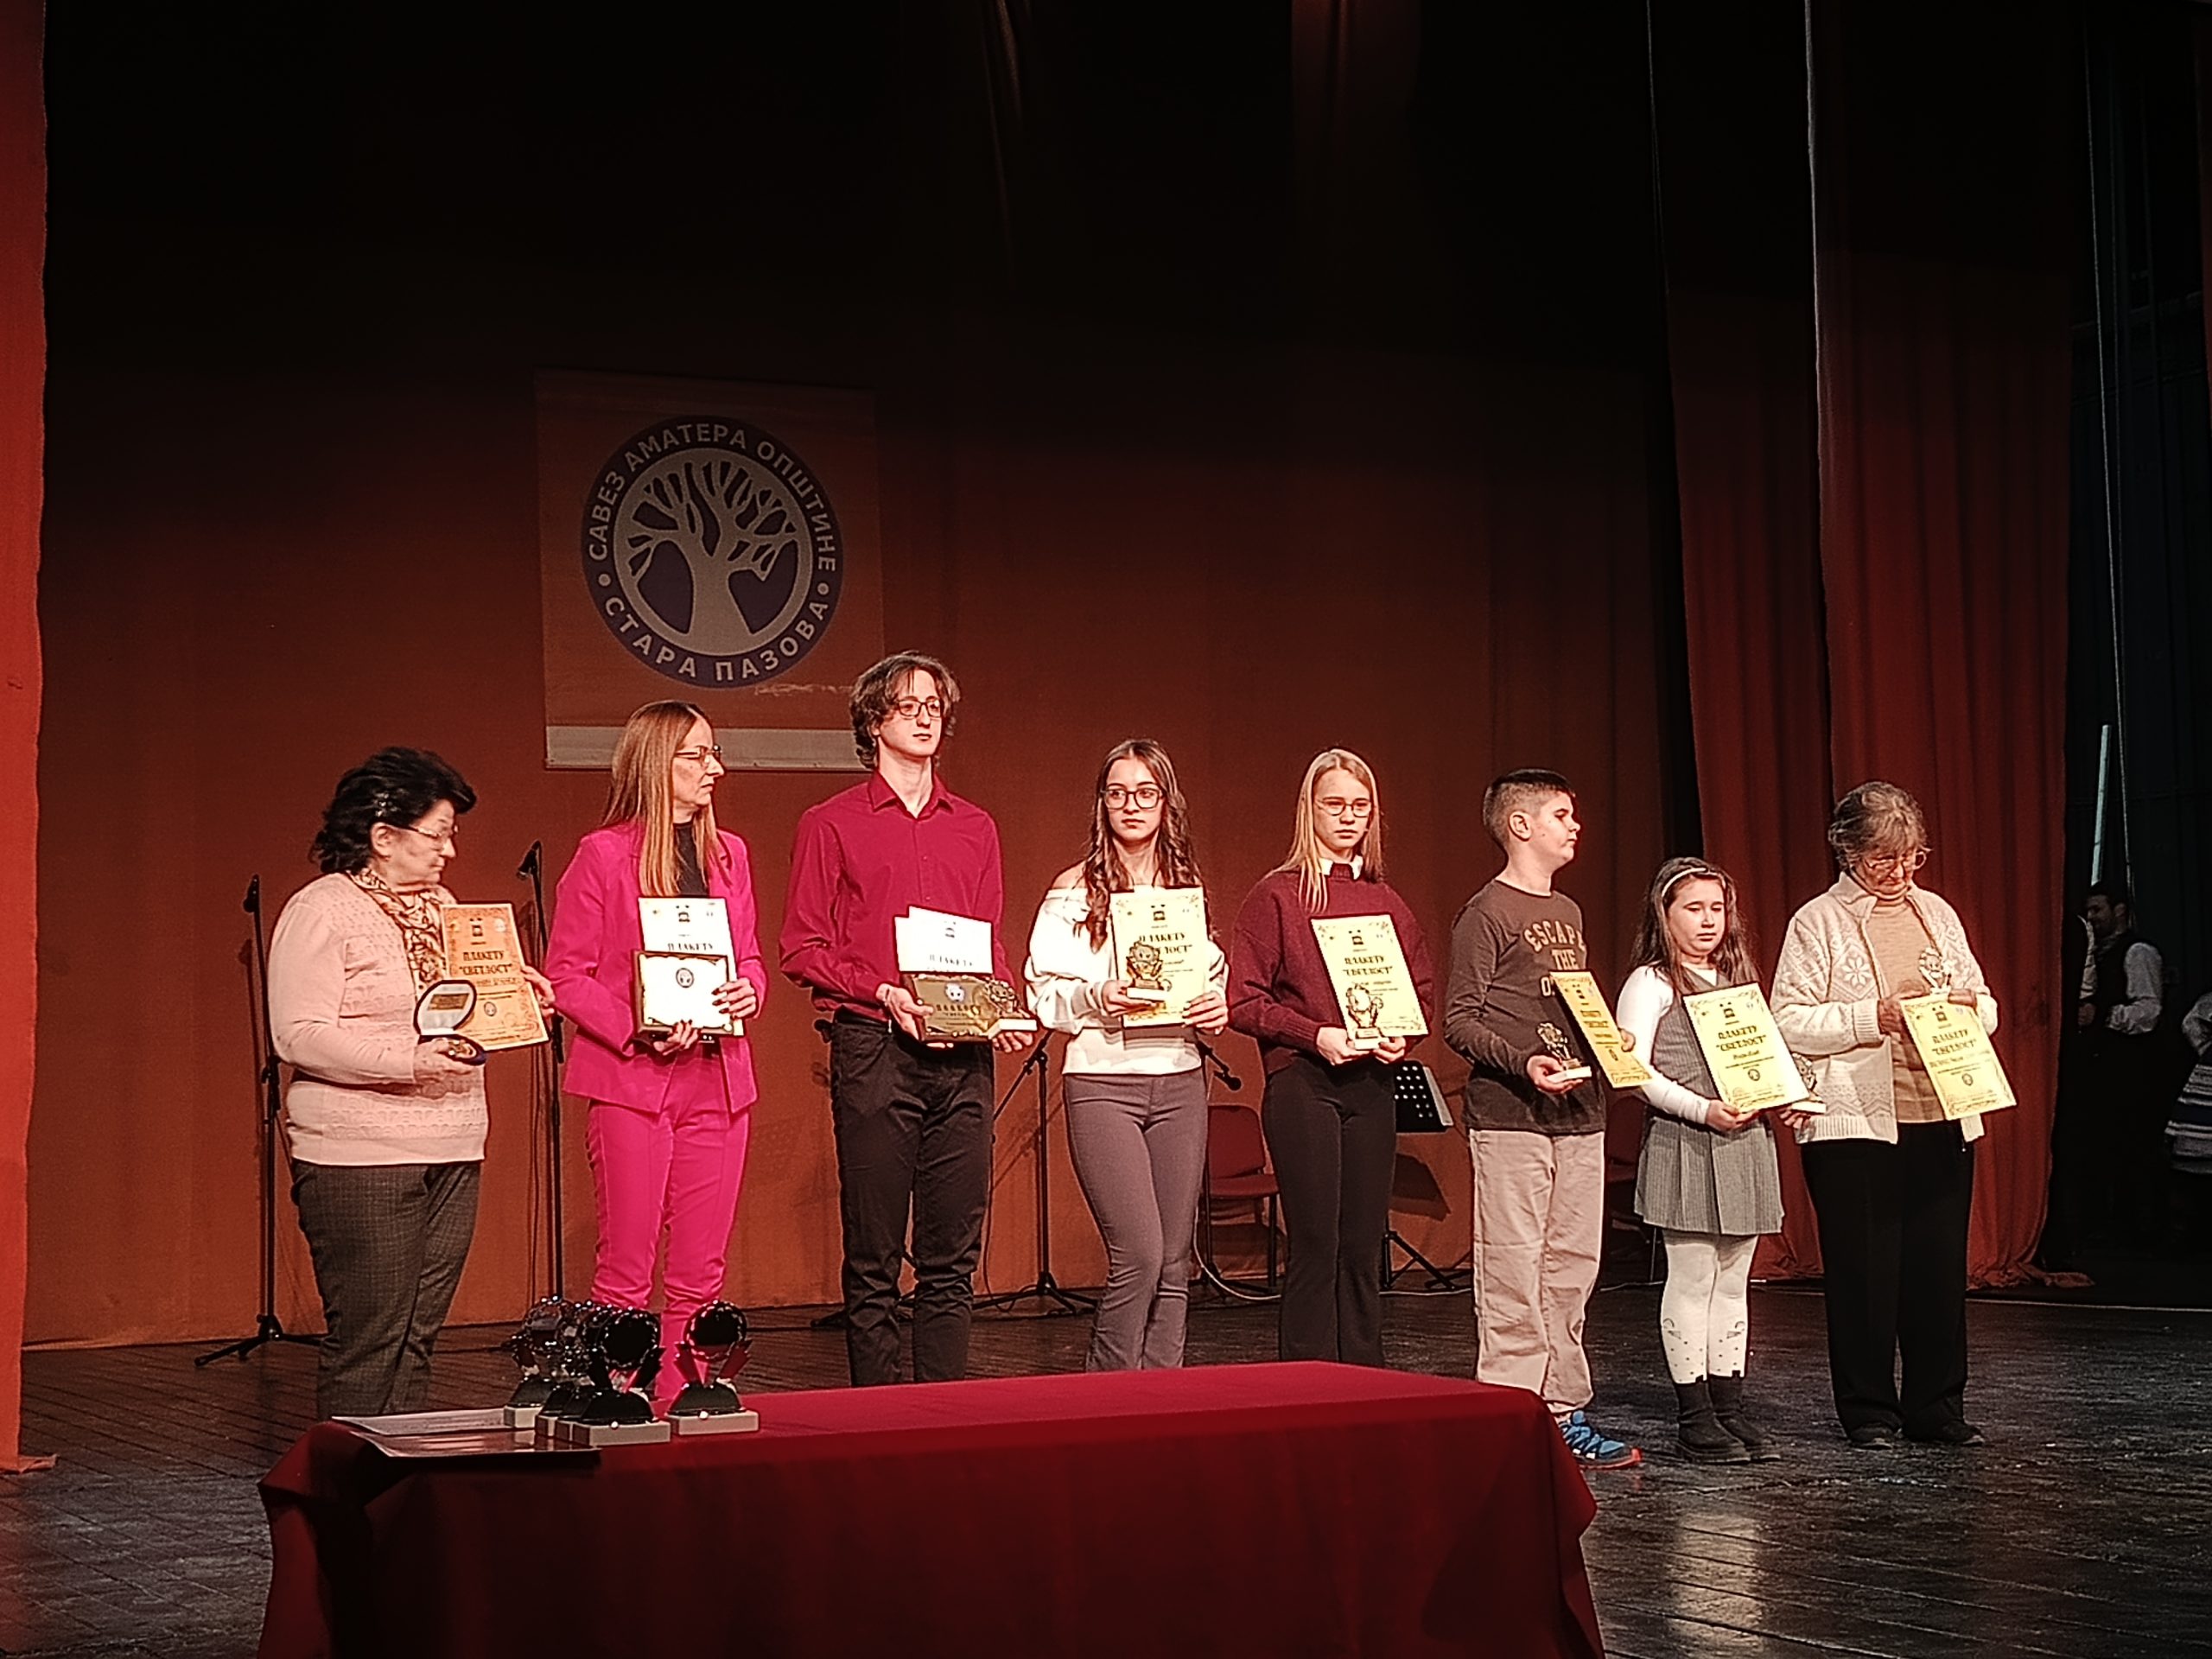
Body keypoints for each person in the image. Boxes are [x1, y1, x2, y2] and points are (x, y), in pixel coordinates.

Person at [269, 747, 555, 1419]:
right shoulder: (322, 910)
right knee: (371, 1340)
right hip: (361, 1152)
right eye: (439, 834)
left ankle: (400, 1473)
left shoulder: (442, 907)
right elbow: (297, 1035)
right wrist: (409, 1062)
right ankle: (349, 1476)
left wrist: (515, 1000)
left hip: (453, 1143)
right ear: (384, 836)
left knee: (417, 1339)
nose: (449, 851)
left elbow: (455, 1013)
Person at [780, 652, 1035, 1386]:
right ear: (872, 722)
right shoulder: (831, 823)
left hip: (963, 1056)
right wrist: (881, 992)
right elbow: (801, 947)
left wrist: (1002, 1007)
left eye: (934, 706)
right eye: (907, 705)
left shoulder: (975, 826)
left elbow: (987, 943)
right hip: (876, 1047)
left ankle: (943, 1416)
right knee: (874, 1257)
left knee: (952, 1257)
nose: (925, 718)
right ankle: (877, 1419)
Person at [544, 701, 766, 1406]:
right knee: (627, 1266)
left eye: (714, 753)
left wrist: (749, 990)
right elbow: (565, 975)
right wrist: (637, 1025)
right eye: (696, 755)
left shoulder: (729, 855)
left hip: (718, 1080)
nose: (714, 769)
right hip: (633, 1080)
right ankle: (622, 1397)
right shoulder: (603, 855)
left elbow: (750, 959)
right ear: (654, 762)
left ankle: (689, 1394)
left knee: (702, 1268)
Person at [1771, 780, 1996, 1449]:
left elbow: (1986, 1004)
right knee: (1865, 1272)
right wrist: (1873, 1017)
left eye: (1911, 857)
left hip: (1943, 1112)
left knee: (1938, 1270)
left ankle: (1937, 1406)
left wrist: (1971, 1007)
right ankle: (1869, 1409)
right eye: (1883, 859)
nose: (1899, 872)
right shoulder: (1818, 921)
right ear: (1847, 853)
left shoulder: (1937, 913)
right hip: (1857, 1125)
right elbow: (1789, 1018)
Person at [1445, 768, 1639, 1469]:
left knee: (1571, 1270)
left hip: (1579, 1113)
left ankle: (1562, 1411)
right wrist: (1523, 1062)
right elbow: (1460, 1020)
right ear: (1520, 825)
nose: (1574, 825)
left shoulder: (1569, 912)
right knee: (1513, 1268)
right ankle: (1511, 1413)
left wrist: (1607, 1041)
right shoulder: (1486, 912)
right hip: (1512, 1117)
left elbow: (1567, 1006)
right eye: (1561, 814)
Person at [1025, 739, 1230, 1370]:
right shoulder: (1073, 890)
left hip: (1179, 1079)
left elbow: (1209, 973)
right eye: (1118, 793)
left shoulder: (1184, 890)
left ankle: (1164, 1396)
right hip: (1103, 1083)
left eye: (1145, 793)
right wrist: (1097, 995)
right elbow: (1042, 991)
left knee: (1174, 1260)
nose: (1131, 805)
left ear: (1166, 803)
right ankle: (1107, 1394)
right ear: (1102, 804)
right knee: (1138, 1254)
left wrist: (1216, 1004)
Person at [1229, 748, 1434, 1366]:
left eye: (1360, 807)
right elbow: (1244, 1001)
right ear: (1310, 811)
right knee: (1317, 1242)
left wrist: (1403, 1035)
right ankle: (1309, 1380)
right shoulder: (1277, 895)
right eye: (1335, 805)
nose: (1348, 817)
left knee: (1363, 1244)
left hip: (1372, 1084)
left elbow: (1420, 991)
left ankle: (1366, 1379)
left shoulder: (1385, 899)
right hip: (1305, 1081)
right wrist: (1314, 1034)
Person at [1618, 858, 1784, 1463]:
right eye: (1693, 908)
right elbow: (1633, 1072)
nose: (1709, 920)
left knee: (1734, 1282)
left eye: (1717, 908)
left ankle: (1728, 1408)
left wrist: (1785, 1096)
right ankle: (1694, 1417)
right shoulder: (1651, 982)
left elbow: (1761, 1059)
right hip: (1685, 1140)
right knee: (1692, 1279)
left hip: (1744, 1142)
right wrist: (1700, 1109)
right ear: (1664, 915)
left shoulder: (1737, 979)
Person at [2078, 880, 2171, 1243]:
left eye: (2097, 909)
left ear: (2119, 911)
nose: (2091, 917)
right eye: (2088, 911)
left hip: (2135, 1071)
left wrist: (2102, 1015)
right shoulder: (2098, 954)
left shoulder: (2138, 953)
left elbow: (2149, 1011)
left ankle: (2145, 1230)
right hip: (2107, 1069)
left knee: (2136, 1147)